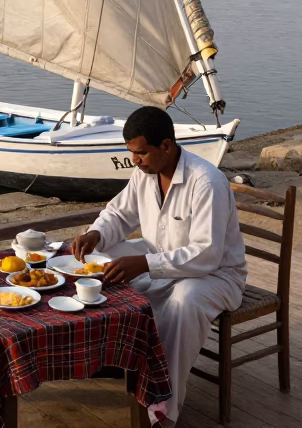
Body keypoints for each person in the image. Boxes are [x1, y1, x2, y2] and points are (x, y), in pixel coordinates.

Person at [72, 106, 247, 426]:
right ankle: (112, 361)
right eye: (131, 154)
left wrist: (144, 264)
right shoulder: (145, 173)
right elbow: (119, 214)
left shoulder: (206, 181)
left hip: (217, 274)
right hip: (161, 261)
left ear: (166, 146)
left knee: (184, 302)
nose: (134, 161)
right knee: (101, 265)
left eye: (141, 153)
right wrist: (95, 234)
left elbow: (206, 254)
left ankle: (163, 408)